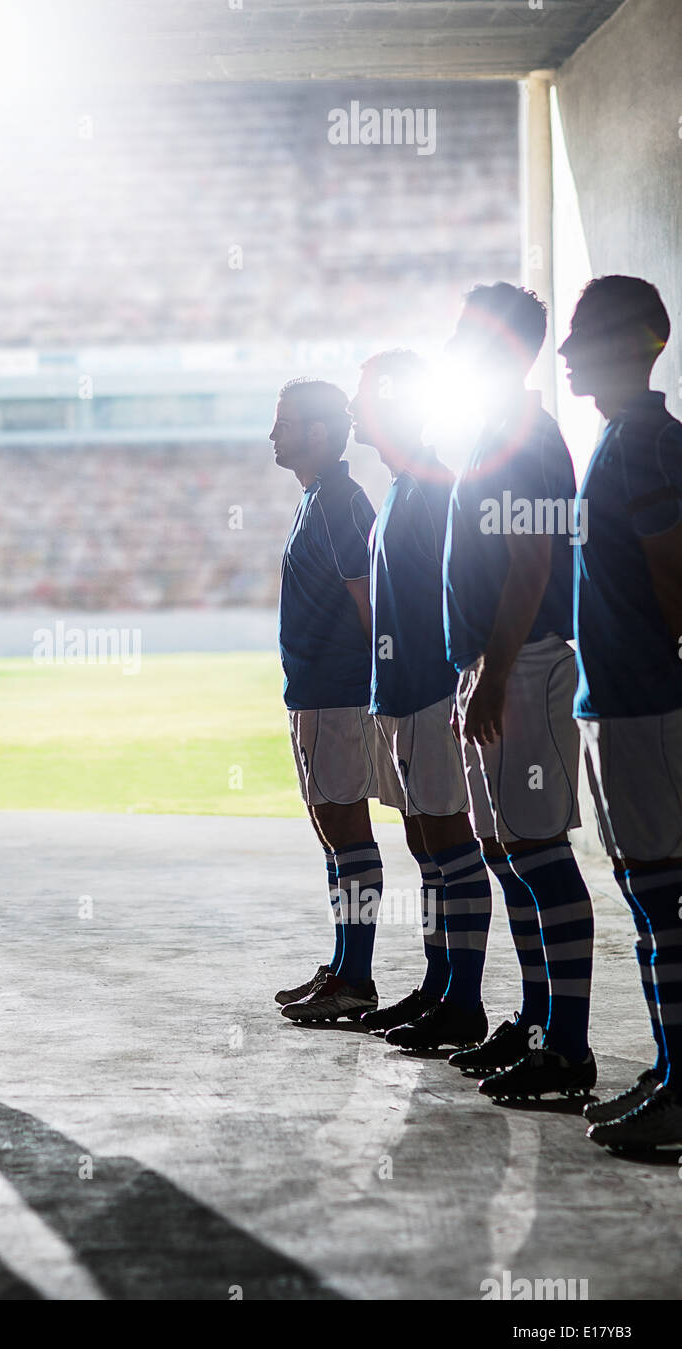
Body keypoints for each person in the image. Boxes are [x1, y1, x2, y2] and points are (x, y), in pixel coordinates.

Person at [441, 282, 596, 1099]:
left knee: (539, 855)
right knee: (508, 855)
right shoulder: (491, 431)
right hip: (495, 661)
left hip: (525, 662)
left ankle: (567, 1049)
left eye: (468, 332)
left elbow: (533, 563)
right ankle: (539, 1027)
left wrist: (494, 675)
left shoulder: (528, 436)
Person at [559, 275, 682, 1148]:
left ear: (639, 340)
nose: (566, 352)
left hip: (650, 703)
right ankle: (673, 1068)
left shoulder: (645, 442)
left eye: (585, 334)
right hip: (619, 700)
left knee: (663, 898)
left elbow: (673, 571)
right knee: (649, 895)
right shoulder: (619, 438)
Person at [347, 350, 493, 1047]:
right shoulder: (401, 487)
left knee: (447, 840)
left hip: (433, 690)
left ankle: (462, 1001)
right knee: (423, 843)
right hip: (398, 693)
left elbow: (463, 593)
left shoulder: (433, 486)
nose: (354, 409)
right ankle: (439, 986)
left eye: (366, 396)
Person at [270, 378, 382, 1024]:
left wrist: (372, 691)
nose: (271, 435)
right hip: (315, 694)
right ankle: (344, 965)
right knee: (332, 834)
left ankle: (357, 975)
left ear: (314, 432)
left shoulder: (339, 502)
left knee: (348, 833)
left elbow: (369, 603)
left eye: (282, 424)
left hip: (339, 696)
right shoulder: (318, 498)